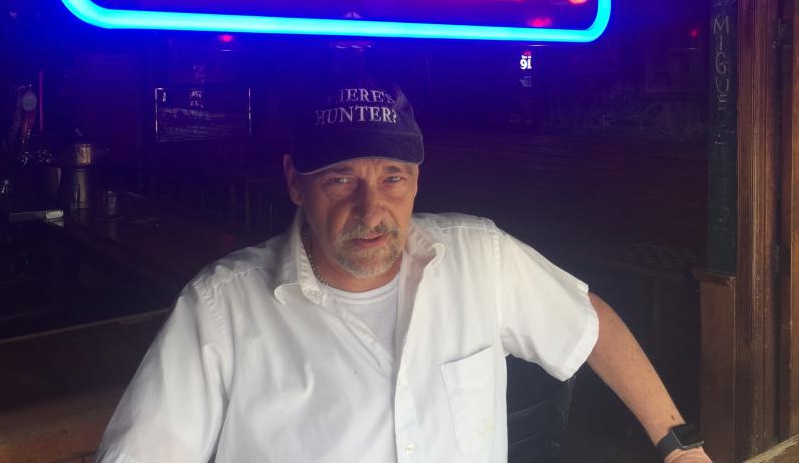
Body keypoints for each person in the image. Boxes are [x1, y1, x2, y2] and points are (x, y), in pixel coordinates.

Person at [96, 77, 712, 463]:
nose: (372, 208)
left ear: (417, 180)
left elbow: (589, 324)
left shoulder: (479, 256)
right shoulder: (221, 308)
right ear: (294, 182)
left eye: (392, 177)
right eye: (341, 178)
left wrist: (679, 445)